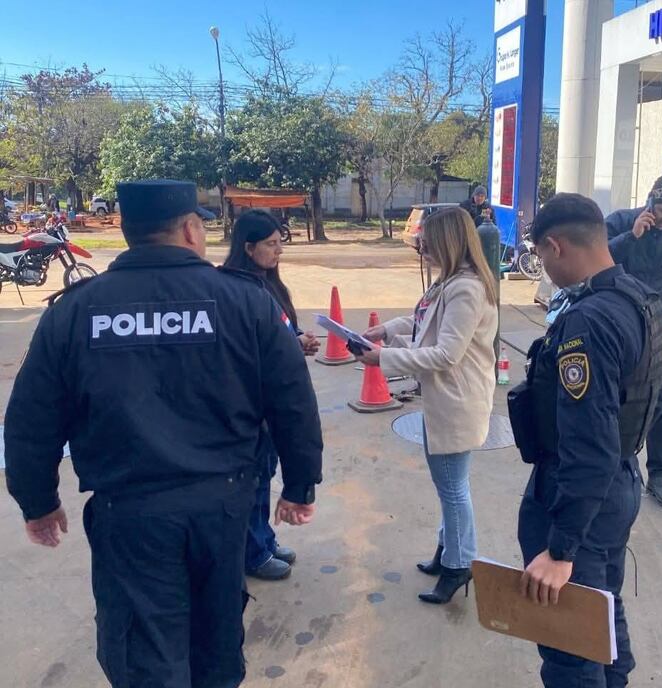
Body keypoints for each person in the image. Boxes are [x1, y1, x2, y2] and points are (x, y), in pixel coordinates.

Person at [4, 179, 324, 688]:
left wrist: (37, 501)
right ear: (192, 228)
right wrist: (301, 484)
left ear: (129, 232)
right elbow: (293, 403)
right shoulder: (247, 302)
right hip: (222, 508)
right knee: (215, 637)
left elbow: (29, 420)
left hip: (129, 515)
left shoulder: (75, 310)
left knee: (145, 650)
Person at [514, 193, 662, 688]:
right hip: (618, 484)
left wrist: (560, 548)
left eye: (540, 257)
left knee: (569, 644)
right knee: (600, 613)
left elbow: (589, 442)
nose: (544, 269)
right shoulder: (640, 298)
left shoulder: (588, 321)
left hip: (578, 494)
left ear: (556, 246)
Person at [357, 206, 498, 604]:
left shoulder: (466, 288)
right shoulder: (447, 283)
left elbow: (445, 354)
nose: (421, 249)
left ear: (449, 242)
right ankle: (448, 550)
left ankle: (459, 564)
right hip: (442, 399)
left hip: (456, 401)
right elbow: (424, 322)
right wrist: (387, 330)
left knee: (453, 488)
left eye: (428, 242)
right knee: (449, 485)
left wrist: (382, 358)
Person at [223, 209, 321, 581]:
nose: (279, 250)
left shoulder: (270, 287)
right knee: (251, 482)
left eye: (282, 243)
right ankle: (252, 552)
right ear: (248, 248)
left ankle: (263, 538)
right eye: (271, 244)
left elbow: (279, 337)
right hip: (249, 407)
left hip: (271, 407)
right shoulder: (235, 290)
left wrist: (298, 342)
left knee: (265, 475)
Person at [605, 174, 662, 509]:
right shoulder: (621, 222)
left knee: (658, 400)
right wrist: (632, 237)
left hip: (657, 327)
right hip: (617, 323)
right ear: (650, 201)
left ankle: (659, 473)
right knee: (612, 395)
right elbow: (596, 258)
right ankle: (610, 468)